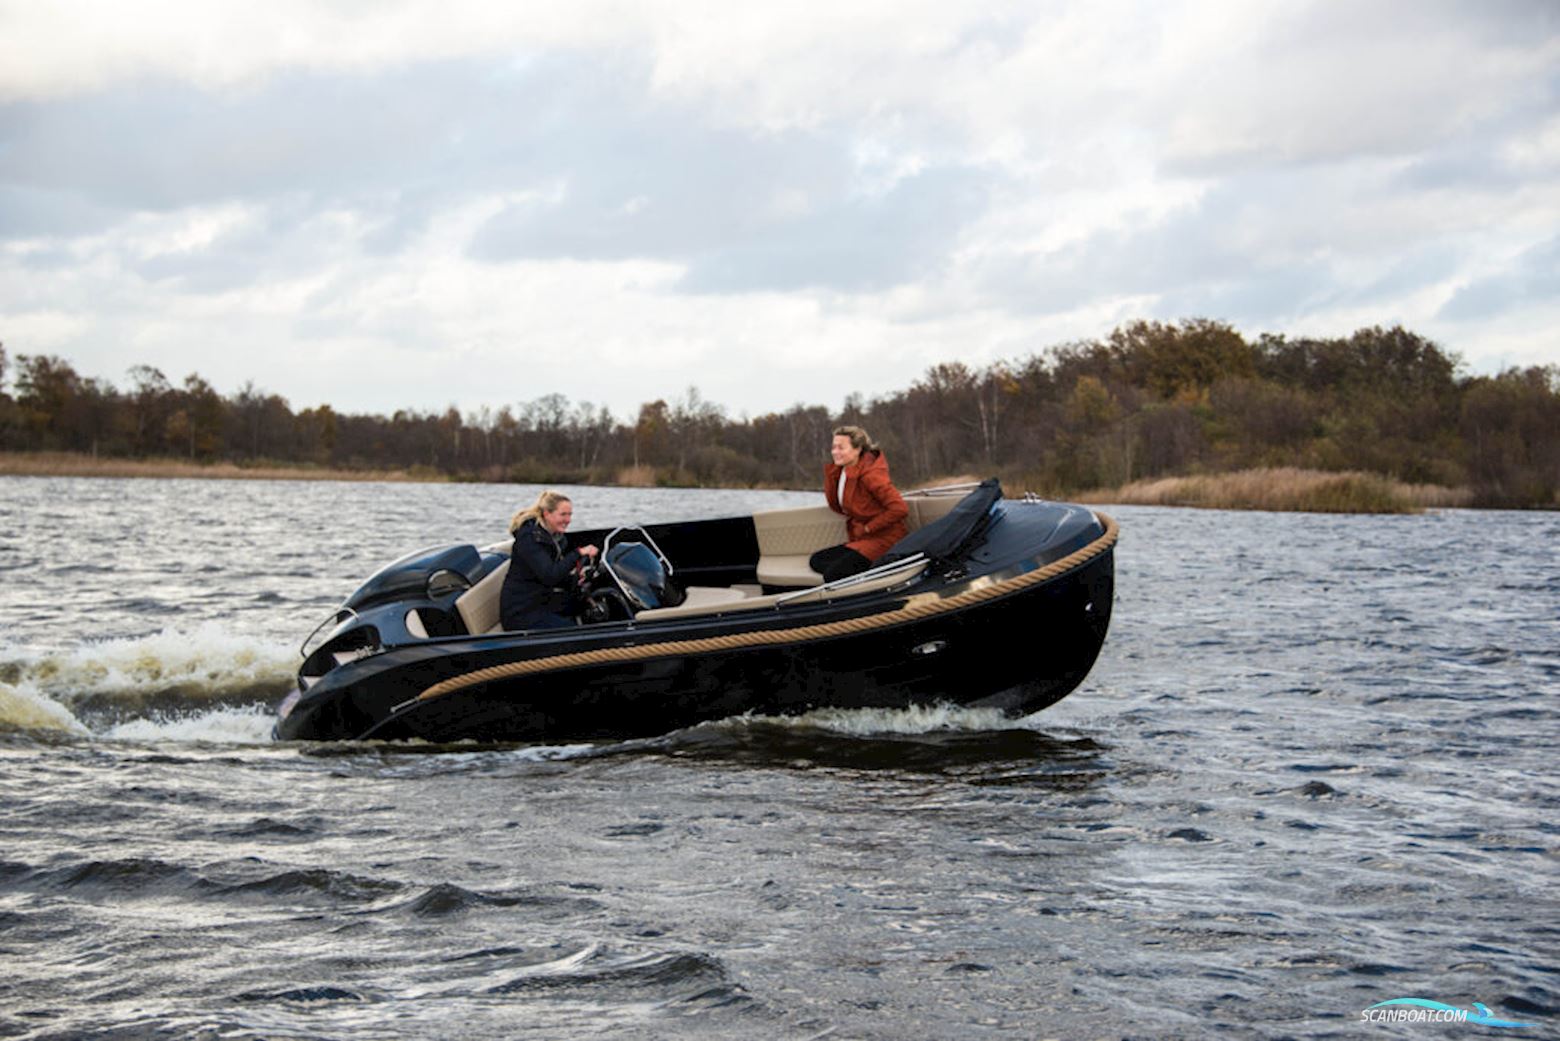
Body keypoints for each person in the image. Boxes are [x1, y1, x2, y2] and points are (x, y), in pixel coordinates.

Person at [810, 425, 909, 583]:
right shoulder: (843, 471)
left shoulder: (872, 475)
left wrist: (868, 528)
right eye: (833, 447)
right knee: (816, 560)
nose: (834, 452)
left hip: (885, 539)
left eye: (841, 447)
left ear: (857, 449)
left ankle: (880, 572)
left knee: (833, 574)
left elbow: (899, 509)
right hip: (862, 539)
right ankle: (871, 569)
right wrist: (831, 474)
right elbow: (836, 505)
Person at [500, 490, 599, 631]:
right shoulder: (530, 538)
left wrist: (574, 579)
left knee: (582, 605)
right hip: (521, 612)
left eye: (570, 514)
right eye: (563, 514)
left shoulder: (551, 537)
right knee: (573, 631)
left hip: (539, 601)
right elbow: (550, 575)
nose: (568, 520)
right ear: (547, 514)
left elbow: (549, 574)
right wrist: (579, 553)